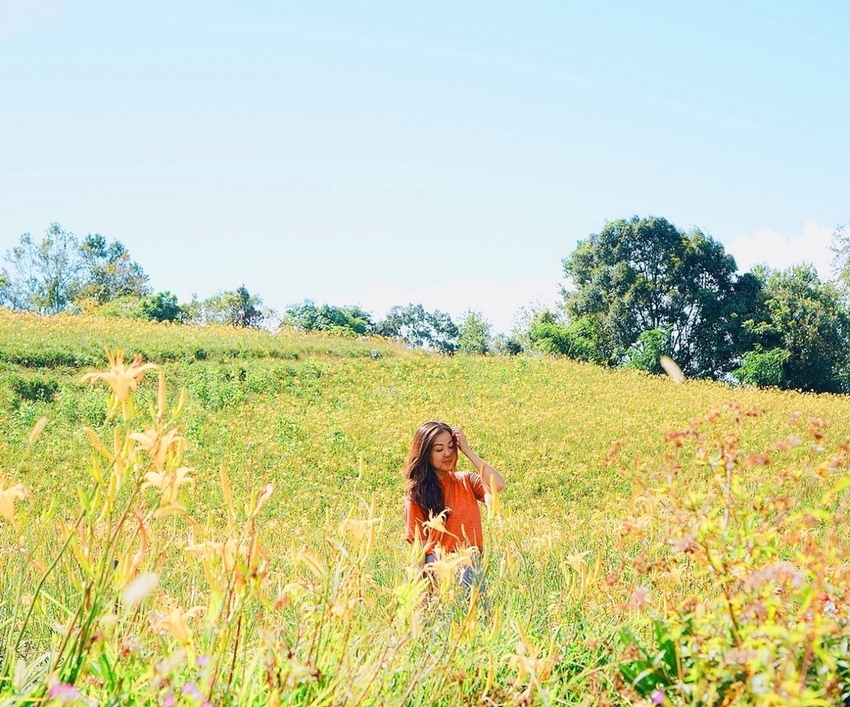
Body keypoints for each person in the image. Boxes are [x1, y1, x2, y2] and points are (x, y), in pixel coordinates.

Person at [403, 421, 505, 587]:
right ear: (425, 455)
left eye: (451, 447)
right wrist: (418, 591)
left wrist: (467, 450)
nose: (448, 453)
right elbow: (418, 548)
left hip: (473, 564)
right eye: (439, 449)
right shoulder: (417, 494)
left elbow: (498, 484)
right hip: (440, 568)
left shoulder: (466, 481)